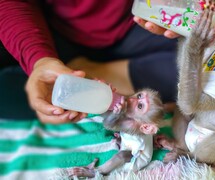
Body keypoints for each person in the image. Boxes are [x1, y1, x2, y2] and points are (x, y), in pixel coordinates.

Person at [0, 0, 179, 124]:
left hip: (137, 21)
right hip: (53, 32)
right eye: (138, 100)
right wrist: (38, 59)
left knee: (200, 63)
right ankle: (84, 72)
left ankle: (87, 71)